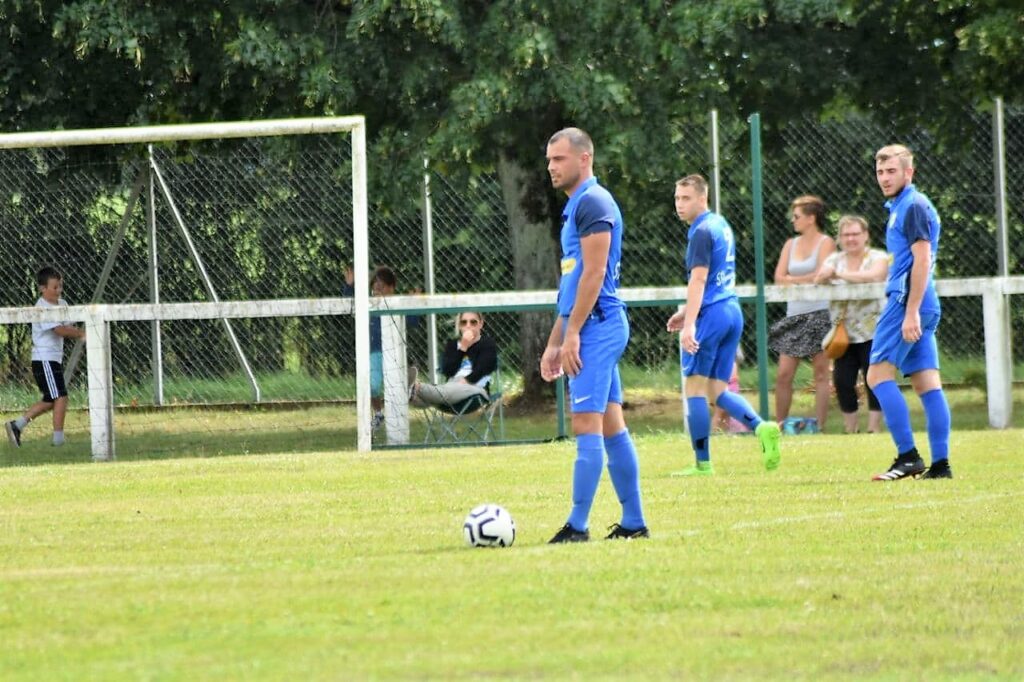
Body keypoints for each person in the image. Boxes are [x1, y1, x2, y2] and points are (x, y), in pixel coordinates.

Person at [541, 127, 649, 543]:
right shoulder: (576, 207)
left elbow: (595, 273)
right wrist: (556, 337)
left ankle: (577, 526)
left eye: (559, 159)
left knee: (586, 422)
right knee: (610, 425)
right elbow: (572, 280)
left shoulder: (594, 202)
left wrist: (573, 337)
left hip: (598, 327)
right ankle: (634, 522)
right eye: (549, 160)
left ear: (584, 158)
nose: (551, 166)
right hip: (591, 325)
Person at [666, 175, 781, 476]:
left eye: (686, 198)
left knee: (694, 388)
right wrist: (686, 313)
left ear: (703, 198)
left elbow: (699, 278)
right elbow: (715, 277)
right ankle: (761, 427)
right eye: (677, 198)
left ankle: (702, 464)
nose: (679, 204)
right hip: (731, 310)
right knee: (717, 389)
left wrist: (689, 324)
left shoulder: (700, 231)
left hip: (713, 315)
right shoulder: (721, 225)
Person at [867, 145, 952, 481]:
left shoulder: (912, 206)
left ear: (908, 173)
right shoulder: (903, 206)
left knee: (877, 376)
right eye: (880, 172)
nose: (885, 178)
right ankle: (941, 465)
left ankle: (908, 456)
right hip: (923, 301)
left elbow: (923, 259)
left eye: (891, 171)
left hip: (908, 301)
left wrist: (911, 311)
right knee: (926, 383)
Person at [814, 215, 889, 434]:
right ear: (839, 238)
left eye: (855, 234)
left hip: (874, 331)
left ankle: (873, 429)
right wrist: (828, 275)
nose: (851, 239)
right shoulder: (833, 259)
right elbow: (819, 278)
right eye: (846, 235)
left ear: (865, 235)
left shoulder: (878, 256)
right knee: (842, 381)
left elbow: (876, 276)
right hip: (843, 333)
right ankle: (851, 429)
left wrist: (838, 275)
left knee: (874, 379)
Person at [770, 195, 836, 432]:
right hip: (794, 315)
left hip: (820, 313)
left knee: (821, 374)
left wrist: (792, 280)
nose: (793, 220)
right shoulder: (790, 244)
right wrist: (799, 281)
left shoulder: (826, 242)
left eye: (797, 216)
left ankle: (819, 426)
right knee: (784, 374)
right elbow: (779, 278)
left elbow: (821, 275)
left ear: (811, 218)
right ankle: (778, 426)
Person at [5, 266, 86, 448]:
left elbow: (68, 326)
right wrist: (82, 334)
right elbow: (60, 329)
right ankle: (58, 441)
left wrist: (78, 332)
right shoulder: (41, 308)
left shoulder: (62, 304)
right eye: (54, 287)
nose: (58, 291)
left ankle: (16, 426)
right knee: (60, 397)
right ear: (43, 288)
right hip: (44, 359)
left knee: (50, 399)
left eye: (60, 286)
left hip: (53, 359)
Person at [343, 264, 413, 430]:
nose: (376, 289)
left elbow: (413, 321)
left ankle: (398, 417)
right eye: (374, 285)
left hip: (395, 352)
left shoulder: (397, 304)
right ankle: (378, 413)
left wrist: (413, 302)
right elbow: (350, 303)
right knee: (372, 385)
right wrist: (349, 285)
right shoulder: (367, 304)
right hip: (374, 351)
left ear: (391, 288)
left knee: (395, 387)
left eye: (381, 286)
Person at [410, 311, 497, 413]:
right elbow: (448, 371)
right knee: (433, 394)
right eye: (464, 322)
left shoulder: (487, 344)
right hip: (451, 387)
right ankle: (410, 392)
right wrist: (463, 347)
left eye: (473, 322)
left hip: (476, 389)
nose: (468, 326)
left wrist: (466, 381)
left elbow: (484, 368)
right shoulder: (452, 345)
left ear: (481, 324)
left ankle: (415, 387)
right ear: (459, 325)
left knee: (438, 393)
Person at [712, 349, 749, 434]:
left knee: (729, 409)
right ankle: (713, 434)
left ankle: (726, 433)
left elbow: (737, 357)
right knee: (720, 410)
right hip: (719, 378)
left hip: (732, 380)